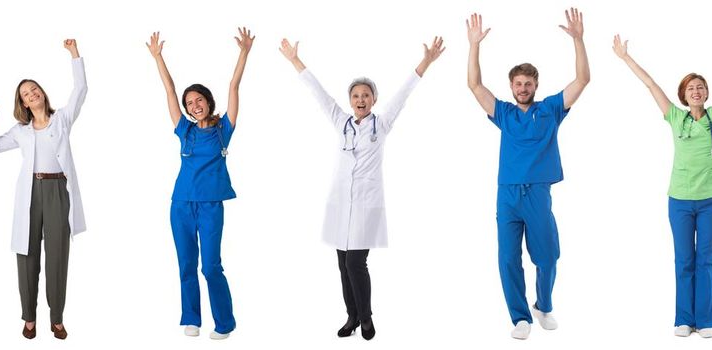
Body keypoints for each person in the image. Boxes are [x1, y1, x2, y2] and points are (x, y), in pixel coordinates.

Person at [278, 36, 443, 340]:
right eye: (356, 95)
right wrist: (294, 60)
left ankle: (366, 318)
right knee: (342, 264)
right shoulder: (341, 121)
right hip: (341, 203)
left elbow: (405, 91)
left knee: (356, 262)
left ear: (374, 100)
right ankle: (351, 316)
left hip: (366, 204)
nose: (360, 99)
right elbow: (319, 93)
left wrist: (427, 62)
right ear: (350, 100)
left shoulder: (382, 124)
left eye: (366, 95)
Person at [612, 26, 712, 339]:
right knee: (684, 260)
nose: (695, 91)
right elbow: (650, 84)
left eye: (700, 87)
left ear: (706, 93)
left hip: (711, 201)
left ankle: (705, 320)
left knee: (706, 260)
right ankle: (684, 319)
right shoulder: (674, 117)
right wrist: (625, 57)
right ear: (683, 96)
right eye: (690, 88)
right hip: (680, 201)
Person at [465, 8, 590, 340]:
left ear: (536, 85)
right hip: (507, 195)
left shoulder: (549, 109)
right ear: (511, 85)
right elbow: (474, 85)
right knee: (508, 258)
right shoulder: (503, 113)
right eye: (518, 83)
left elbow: (582, 81)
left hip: (537, 193)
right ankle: (520, 318)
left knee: (548, 255)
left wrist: (578, 39)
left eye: (528, 83)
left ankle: (544, 305)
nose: (523, 88)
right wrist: (474, 44)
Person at [146, 27, 251, 340]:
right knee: (186, 264)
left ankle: (225, 323)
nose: (194, 105)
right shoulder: (184, 131)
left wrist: (244, 53)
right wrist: (157, 57)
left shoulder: (224, 129)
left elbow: (234, 86)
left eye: (199, 100)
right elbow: (169, 90)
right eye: (189, 103)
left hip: (210, 206)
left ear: (208, 102)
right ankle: (191, 318)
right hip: (181, 205)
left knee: (211, 266)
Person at [0, 39, 88, 340]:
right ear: (24, 103)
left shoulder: (62, 120)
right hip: (30, 194)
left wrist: (74, 54)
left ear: (42, 94)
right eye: (26, 93)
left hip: (57, 191)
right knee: (26, 256)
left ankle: (56, 318)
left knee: (57, 256)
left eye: (34, 89)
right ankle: (29, 317)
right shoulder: (21, 132)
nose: (32, 93)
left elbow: (80, 90)